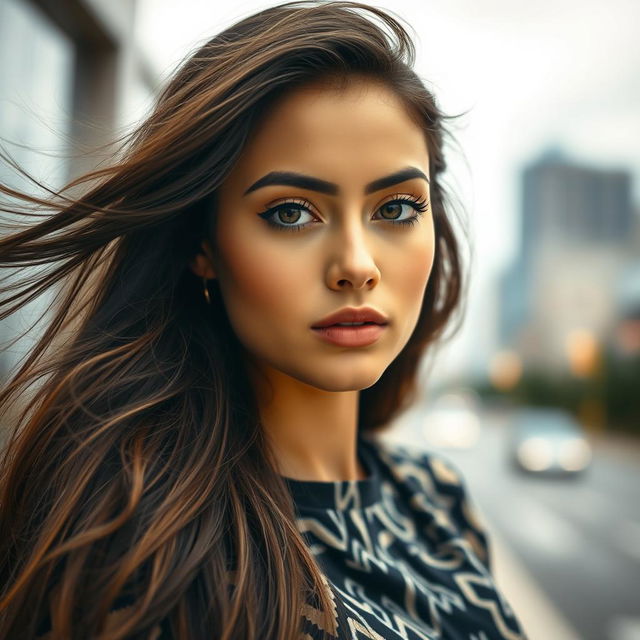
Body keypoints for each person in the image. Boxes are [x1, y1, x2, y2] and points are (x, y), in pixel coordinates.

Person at [0, 1, 527, 638]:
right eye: (290, 213)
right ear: (204, 246)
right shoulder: (146, 554)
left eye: (396, 208)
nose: (356, 266)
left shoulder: (434, 496)